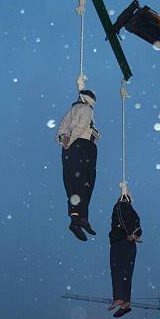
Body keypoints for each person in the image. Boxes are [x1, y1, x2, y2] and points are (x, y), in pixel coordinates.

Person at [56, 86, 100, 242]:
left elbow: (61, 129)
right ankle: (82, 217)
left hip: (72, 149)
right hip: (83, 146)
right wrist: (71, 140)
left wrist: (64, 140)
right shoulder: (86, 109)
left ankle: (76, 218)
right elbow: (81, 126)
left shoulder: (72, 111)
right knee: (86, 182)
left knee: (73, 183)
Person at [107, 191, 142, 318]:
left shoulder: (120, 206)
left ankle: (119, 298)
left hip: (120, 242)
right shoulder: (134, 212)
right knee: (127, 272)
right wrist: (135, 235)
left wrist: (128, 234)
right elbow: (139, 227)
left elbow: (121, 220)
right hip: (131, 244)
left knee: (117, 270)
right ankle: (125, 302)